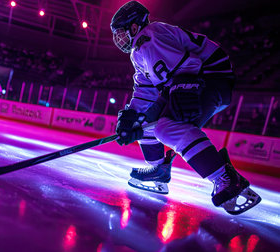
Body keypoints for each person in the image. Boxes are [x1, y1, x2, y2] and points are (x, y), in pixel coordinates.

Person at [110, 1, 260, 215]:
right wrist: (130, 117)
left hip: (210, 78)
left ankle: (226, 178)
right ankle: (159, 171)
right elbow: (145, 90)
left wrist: (181, 90)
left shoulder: (148, 37)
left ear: (134, 27)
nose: (118, 38)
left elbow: (190, 66)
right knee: (144, 121)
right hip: (194, 80)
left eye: (121, 32)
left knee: (165, 127)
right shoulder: (139, 50)